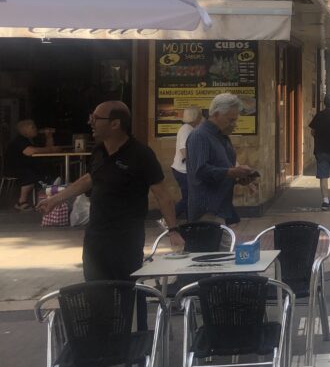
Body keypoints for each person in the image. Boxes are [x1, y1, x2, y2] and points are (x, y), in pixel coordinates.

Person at [36, 101, 181, 283]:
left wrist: (173, 230)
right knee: (95, 292)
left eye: (96, 118)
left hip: (125, 240)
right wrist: (55, 200)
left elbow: (163, 195)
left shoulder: (141, 155)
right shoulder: (98, 151)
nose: (90, 122)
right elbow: (89, 179)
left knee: (123, 292)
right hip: (95, 237)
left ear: (115, 124)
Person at [186, 93, 258, 224]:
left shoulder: (222, 136)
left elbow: (221, 168)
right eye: (230, 120)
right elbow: (201, 171)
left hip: (222, 206)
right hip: (208, 208)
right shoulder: (200, 136)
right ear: (216, 115)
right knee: (212, 244)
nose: (233, 124)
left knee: (224, 243)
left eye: (235, 120)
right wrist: (231, 172)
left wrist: (239, 177)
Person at [4, 119, 61, 211]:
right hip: (14, 168)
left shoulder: (33, 139)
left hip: (27, 166)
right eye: (32, 127)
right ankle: (21, 202)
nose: (35, 129)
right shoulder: (19, 140)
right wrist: (51, 149)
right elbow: (30, 151)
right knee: (30, 174)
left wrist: (49, 137)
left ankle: (49, 195)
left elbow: (46, 149)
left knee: (46, 169)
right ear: (24, 130)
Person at [170, 106, 203, 219]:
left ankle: (191, 222)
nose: (201, 118)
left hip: (187, 170)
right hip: (183, 171)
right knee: (188, 198)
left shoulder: (191, 129)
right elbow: (184, 151)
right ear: (195, 117)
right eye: (200, 115)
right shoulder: (185, 129)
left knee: (190, 198)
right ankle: (167, 219)